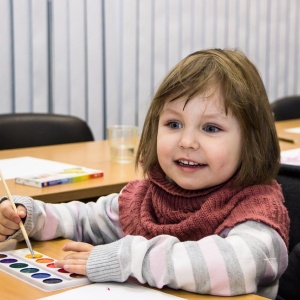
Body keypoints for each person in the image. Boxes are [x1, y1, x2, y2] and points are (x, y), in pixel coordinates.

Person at [0, 49, 289, 299]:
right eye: (174, 124)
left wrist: (128, 258)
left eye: (211, 128)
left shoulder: (257, 207)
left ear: (251, 140)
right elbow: (86, 220)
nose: (186, 141)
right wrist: (31, 217)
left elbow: (238, 264)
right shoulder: (146, 197)